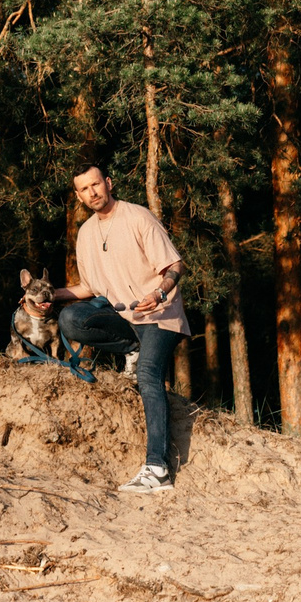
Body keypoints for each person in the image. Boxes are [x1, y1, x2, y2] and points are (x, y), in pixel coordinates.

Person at [36, 165, 185, 494]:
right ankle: (130, 348)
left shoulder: (138, 217)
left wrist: (159, 292)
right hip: (124, 318)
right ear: (78, 196)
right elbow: (88, 288)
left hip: (159, 314)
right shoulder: (86, 233)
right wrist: (46, 297)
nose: (92, 193)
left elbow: (175, 265)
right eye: (84, 189)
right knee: (71, 319)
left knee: (147, 374)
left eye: (95, 185)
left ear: (108, 183)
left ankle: (157, 469)